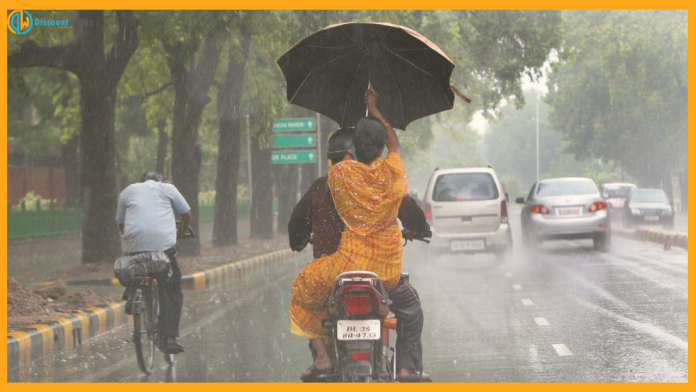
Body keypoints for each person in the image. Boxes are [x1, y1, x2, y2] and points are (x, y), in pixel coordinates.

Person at [288, 85, 431, 382]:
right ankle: (406, 369)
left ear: (350, 151)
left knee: (302, 289)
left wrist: (357, 137)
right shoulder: (391, 175)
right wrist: (376, 109)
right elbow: (396, 148)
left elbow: (349, 160)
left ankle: (324, 359)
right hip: (385, 275)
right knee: (411, 311)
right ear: (381, 149)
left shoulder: (339, 176)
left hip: (346, 267)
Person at [116, 171, 192, 354]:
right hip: (162, 250)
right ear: (160, 181)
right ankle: (169, 337)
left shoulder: (128, 191)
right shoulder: (168, 189)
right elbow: (187, 216)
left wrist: (134, 240)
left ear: (141, 182)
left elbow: (121, 223)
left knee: (137, 266)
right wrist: (178, 235)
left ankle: (134, 289)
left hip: (135, 248)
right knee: (172, 286)